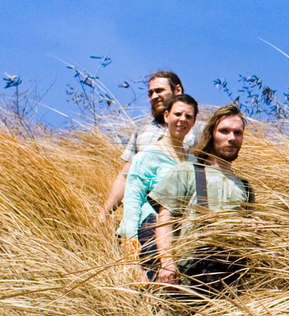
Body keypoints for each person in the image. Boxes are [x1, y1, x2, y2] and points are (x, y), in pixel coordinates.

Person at [149, 104, 255, 296]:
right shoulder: (187, 171)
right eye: (224, 131)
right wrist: (167, 263)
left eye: (237, 133)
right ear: (211, 134)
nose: (232, 138)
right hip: (187, 278)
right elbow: (165, 218)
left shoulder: (245, 187)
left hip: (231, 283)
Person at [116, 93, 198, 281]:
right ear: (167, 116)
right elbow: (132, 199)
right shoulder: (148, 156)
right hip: (151, 227)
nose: (182, 120)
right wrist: (130, 248)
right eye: (178, 114)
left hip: (181, 231)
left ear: (193, 122)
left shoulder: (193, 161)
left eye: (188, 116)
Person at [95, 70, 184, 226]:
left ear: (177, 90)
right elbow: (126, 176)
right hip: (144, 218)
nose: (154, 96)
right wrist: (104, 213)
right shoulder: (142, 131)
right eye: (151, 93)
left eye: (159, 90)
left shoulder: (199, 130)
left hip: (183, 215)